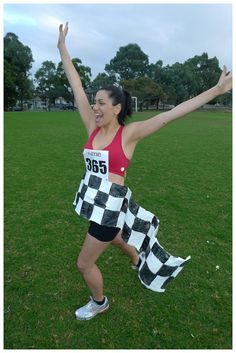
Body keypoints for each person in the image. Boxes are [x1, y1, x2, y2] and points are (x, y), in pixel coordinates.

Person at [57, 22, 232, 321]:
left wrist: (215, 90)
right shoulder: (91, 125)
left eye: (101, 103)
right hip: (95, 202)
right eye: (94, 102)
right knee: (114, 237)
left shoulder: (129, 134)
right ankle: (137, 258)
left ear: (116, 108)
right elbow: (76, 88)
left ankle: (99, 302)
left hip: (109, 209)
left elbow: (172, 114)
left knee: (85, 264)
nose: (94, 107)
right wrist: (62, 48)